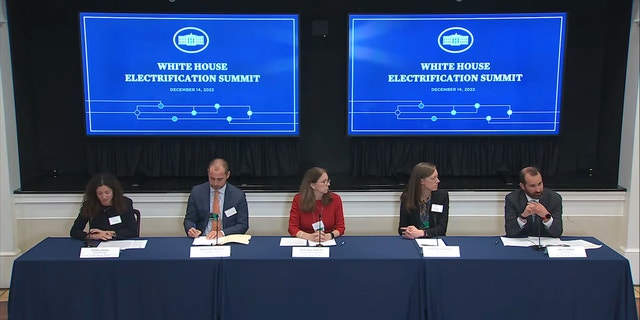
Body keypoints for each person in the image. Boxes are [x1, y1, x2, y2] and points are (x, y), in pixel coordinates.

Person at [183, 158, 249, 239]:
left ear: (227, 175)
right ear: (208, 173)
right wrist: (191, 229)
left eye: (219, 179)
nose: (215, 183)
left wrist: (223, 233)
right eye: (212, 178)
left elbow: (243, 225)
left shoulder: (238, 195)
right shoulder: (197, 192)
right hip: (203, 238)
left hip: (226, 238)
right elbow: (189, 219)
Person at [70, 173, 138, 240]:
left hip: (120, 242)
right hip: (98, 244)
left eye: (107, 192)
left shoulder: (125, 202)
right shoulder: (89, 205)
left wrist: (109, 233)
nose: (104, 197)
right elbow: (75, 231)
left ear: (114, 191)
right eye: (99, 193)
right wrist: (93, 236)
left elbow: (132, 231)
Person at [288, 167, 345, 242]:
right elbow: (292, 228)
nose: (328, 184)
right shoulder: (298, 199)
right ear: (312, 185)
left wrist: (329, 236)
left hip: (327, 241)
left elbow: (340, 227)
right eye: (323, 181)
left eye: (328, 180)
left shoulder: (335, 199)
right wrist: (309, 237)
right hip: (304, 241)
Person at [504, 166, 563, 237]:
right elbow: (510, 232)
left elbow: (558, 232)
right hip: (521, 244)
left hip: (545, 243)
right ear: (522, 186)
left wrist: (547, 216)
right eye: (532, 186)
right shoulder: (512, 199)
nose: (538, 190)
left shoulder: (554, 199)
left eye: (540, 184)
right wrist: (522, 217)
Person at [398, 162, 449, 239]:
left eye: (437, 177)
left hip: (435, 239)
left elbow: (442, 228)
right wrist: (409, 231)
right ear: (421, 181)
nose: (438, 181)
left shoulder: (442, 197)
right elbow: (402, 229)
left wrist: (422, 233)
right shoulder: (407, 198)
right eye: (433, 178)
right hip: (414, 240)